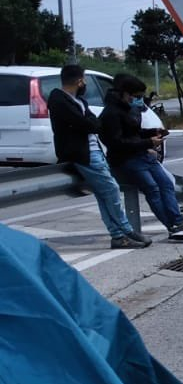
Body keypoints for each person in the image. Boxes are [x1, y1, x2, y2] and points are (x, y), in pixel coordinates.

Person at [46, 64, 149, 249]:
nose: (84, 83)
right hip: (83, 154)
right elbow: (89, 124)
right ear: (79, 81)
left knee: (104, 194)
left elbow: (94, 123)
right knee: (111, 189)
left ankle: (118, 235)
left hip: (93, 151)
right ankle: (125, 230)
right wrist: (90, 122)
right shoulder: (59, 100)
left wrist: (90, 122)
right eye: (83, 80)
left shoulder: (79, 101)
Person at [99, 74, 183, 242]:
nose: (140, 101)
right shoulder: (111, 113)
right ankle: (173, 227)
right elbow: (117, 142)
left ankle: (178, 222)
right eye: (138, 97)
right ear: (126, 93)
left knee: (167, 184)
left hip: (142, 155)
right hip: (127, 160)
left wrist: (152, 133)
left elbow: (133, 133)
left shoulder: (129, 109)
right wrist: (147, 142)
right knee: (152, 189)